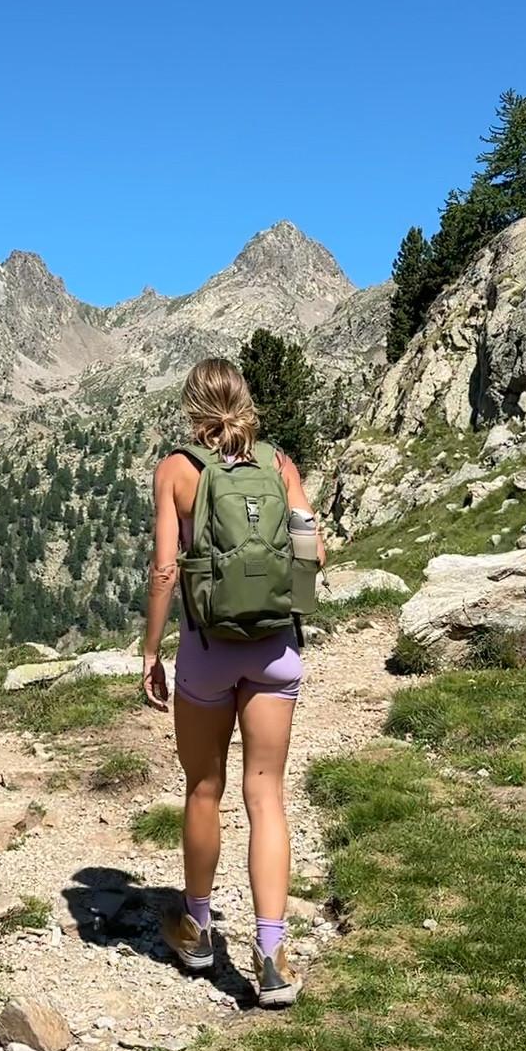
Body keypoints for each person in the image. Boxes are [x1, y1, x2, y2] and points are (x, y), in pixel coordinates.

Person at [143, 356, 324, 1006]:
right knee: (266, 794)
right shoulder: (279, 464)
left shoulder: (178, 470)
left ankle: (197, 930)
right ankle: (272, 956)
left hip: (207, 652)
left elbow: (166, 570)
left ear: (192, 408)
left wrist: (149, 653)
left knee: (204, 786)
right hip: (275, 651)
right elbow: (315, 549)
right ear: (244, 401)